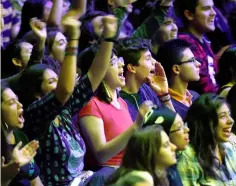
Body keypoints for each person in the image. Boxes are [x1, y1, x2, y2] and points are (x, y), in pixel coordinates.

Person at [17, 16, 118, 185]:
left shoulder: (65, 110)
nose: (59, 83)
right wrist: (73, 39)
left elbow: (94, 76)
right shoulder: (35, 114)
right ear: (36, 93)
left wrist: (108, 37)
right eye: (51, 82)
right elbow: (64, 90)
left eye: (58, 79)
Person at [78, 46, 153, 183]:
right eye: (113, 62)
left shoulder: (121, 102)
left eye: (119, 60)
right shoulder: (92, 105)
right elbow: (101, 155)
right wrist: (136, 126)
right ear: (98, 71)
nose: (121, 64)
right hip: (111, 177)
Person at [177, 94, 236, 185]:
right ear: (205, 123)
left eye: (229, 114)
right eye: (222, 116)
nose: (231, 121)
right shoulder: (187, 156)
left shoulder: (229, 147)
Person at [116, 37, 175, 122]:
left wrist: (164, 95)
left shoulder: (148, 90)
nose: (154, 62)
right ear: (132, 68)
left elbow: (174, 127)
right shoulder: (118, 100)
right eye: (148, 58)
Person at [1, 82, 43, 186]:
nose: (20, 105)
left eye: (17, 100)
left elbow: (35, 181)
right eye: (11, 102)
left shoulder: (19, 135)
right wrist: (5, 178)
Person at [106, 125, 177, 186]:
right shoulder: (142, 178)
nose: (174, 147)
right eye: (166, 145)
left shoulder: (160, 175)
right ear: (150, 152)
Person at [174, 0, 218, 94]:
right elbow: (204, 87)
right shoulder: (186, 43)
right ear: (189, 14)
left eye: (212, 7)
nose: (213, 13)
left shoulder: (203, 40)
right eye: (206, 8)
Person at [156, 39, 200, 119]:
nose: (198, 64)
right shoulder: (162, 104)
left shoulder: (196, 97)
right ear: (176, 69)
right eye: (192, 60)